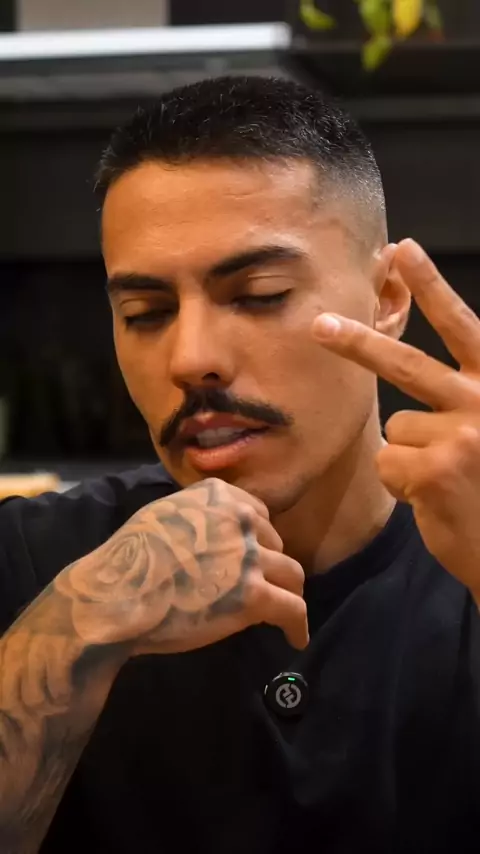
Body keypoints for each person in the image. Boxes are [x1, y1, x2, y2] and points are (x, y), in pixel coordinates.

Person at [1, 75, 480, 854]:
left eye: (259, 294)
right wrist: (80, 624)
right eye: (146, 314)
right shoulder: (31, 560)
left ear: (388, 297)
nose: (191, 358)